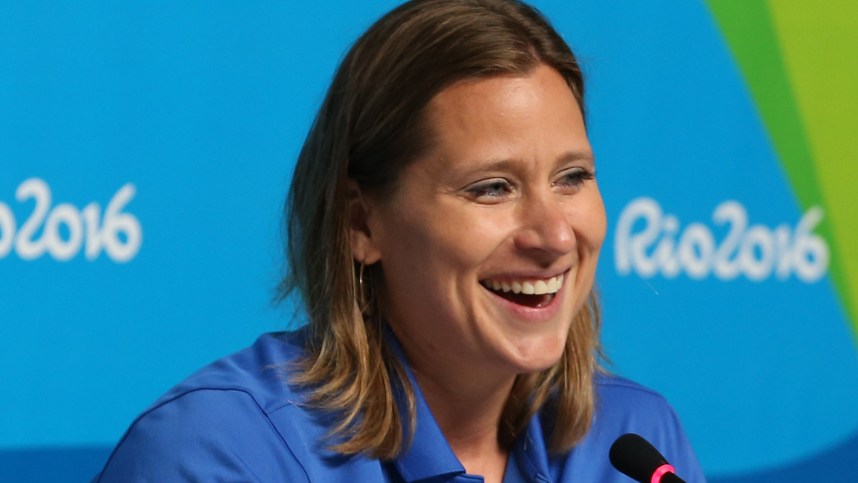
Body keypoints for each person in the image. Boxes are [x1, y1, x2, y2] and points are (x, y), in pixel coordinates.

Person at [96, 0, 705, 481]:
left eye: (572, 178)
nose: (553, 235)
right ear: (361, 224)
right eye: (492, 188)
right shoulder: (222, 454)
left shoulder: (638, 444)